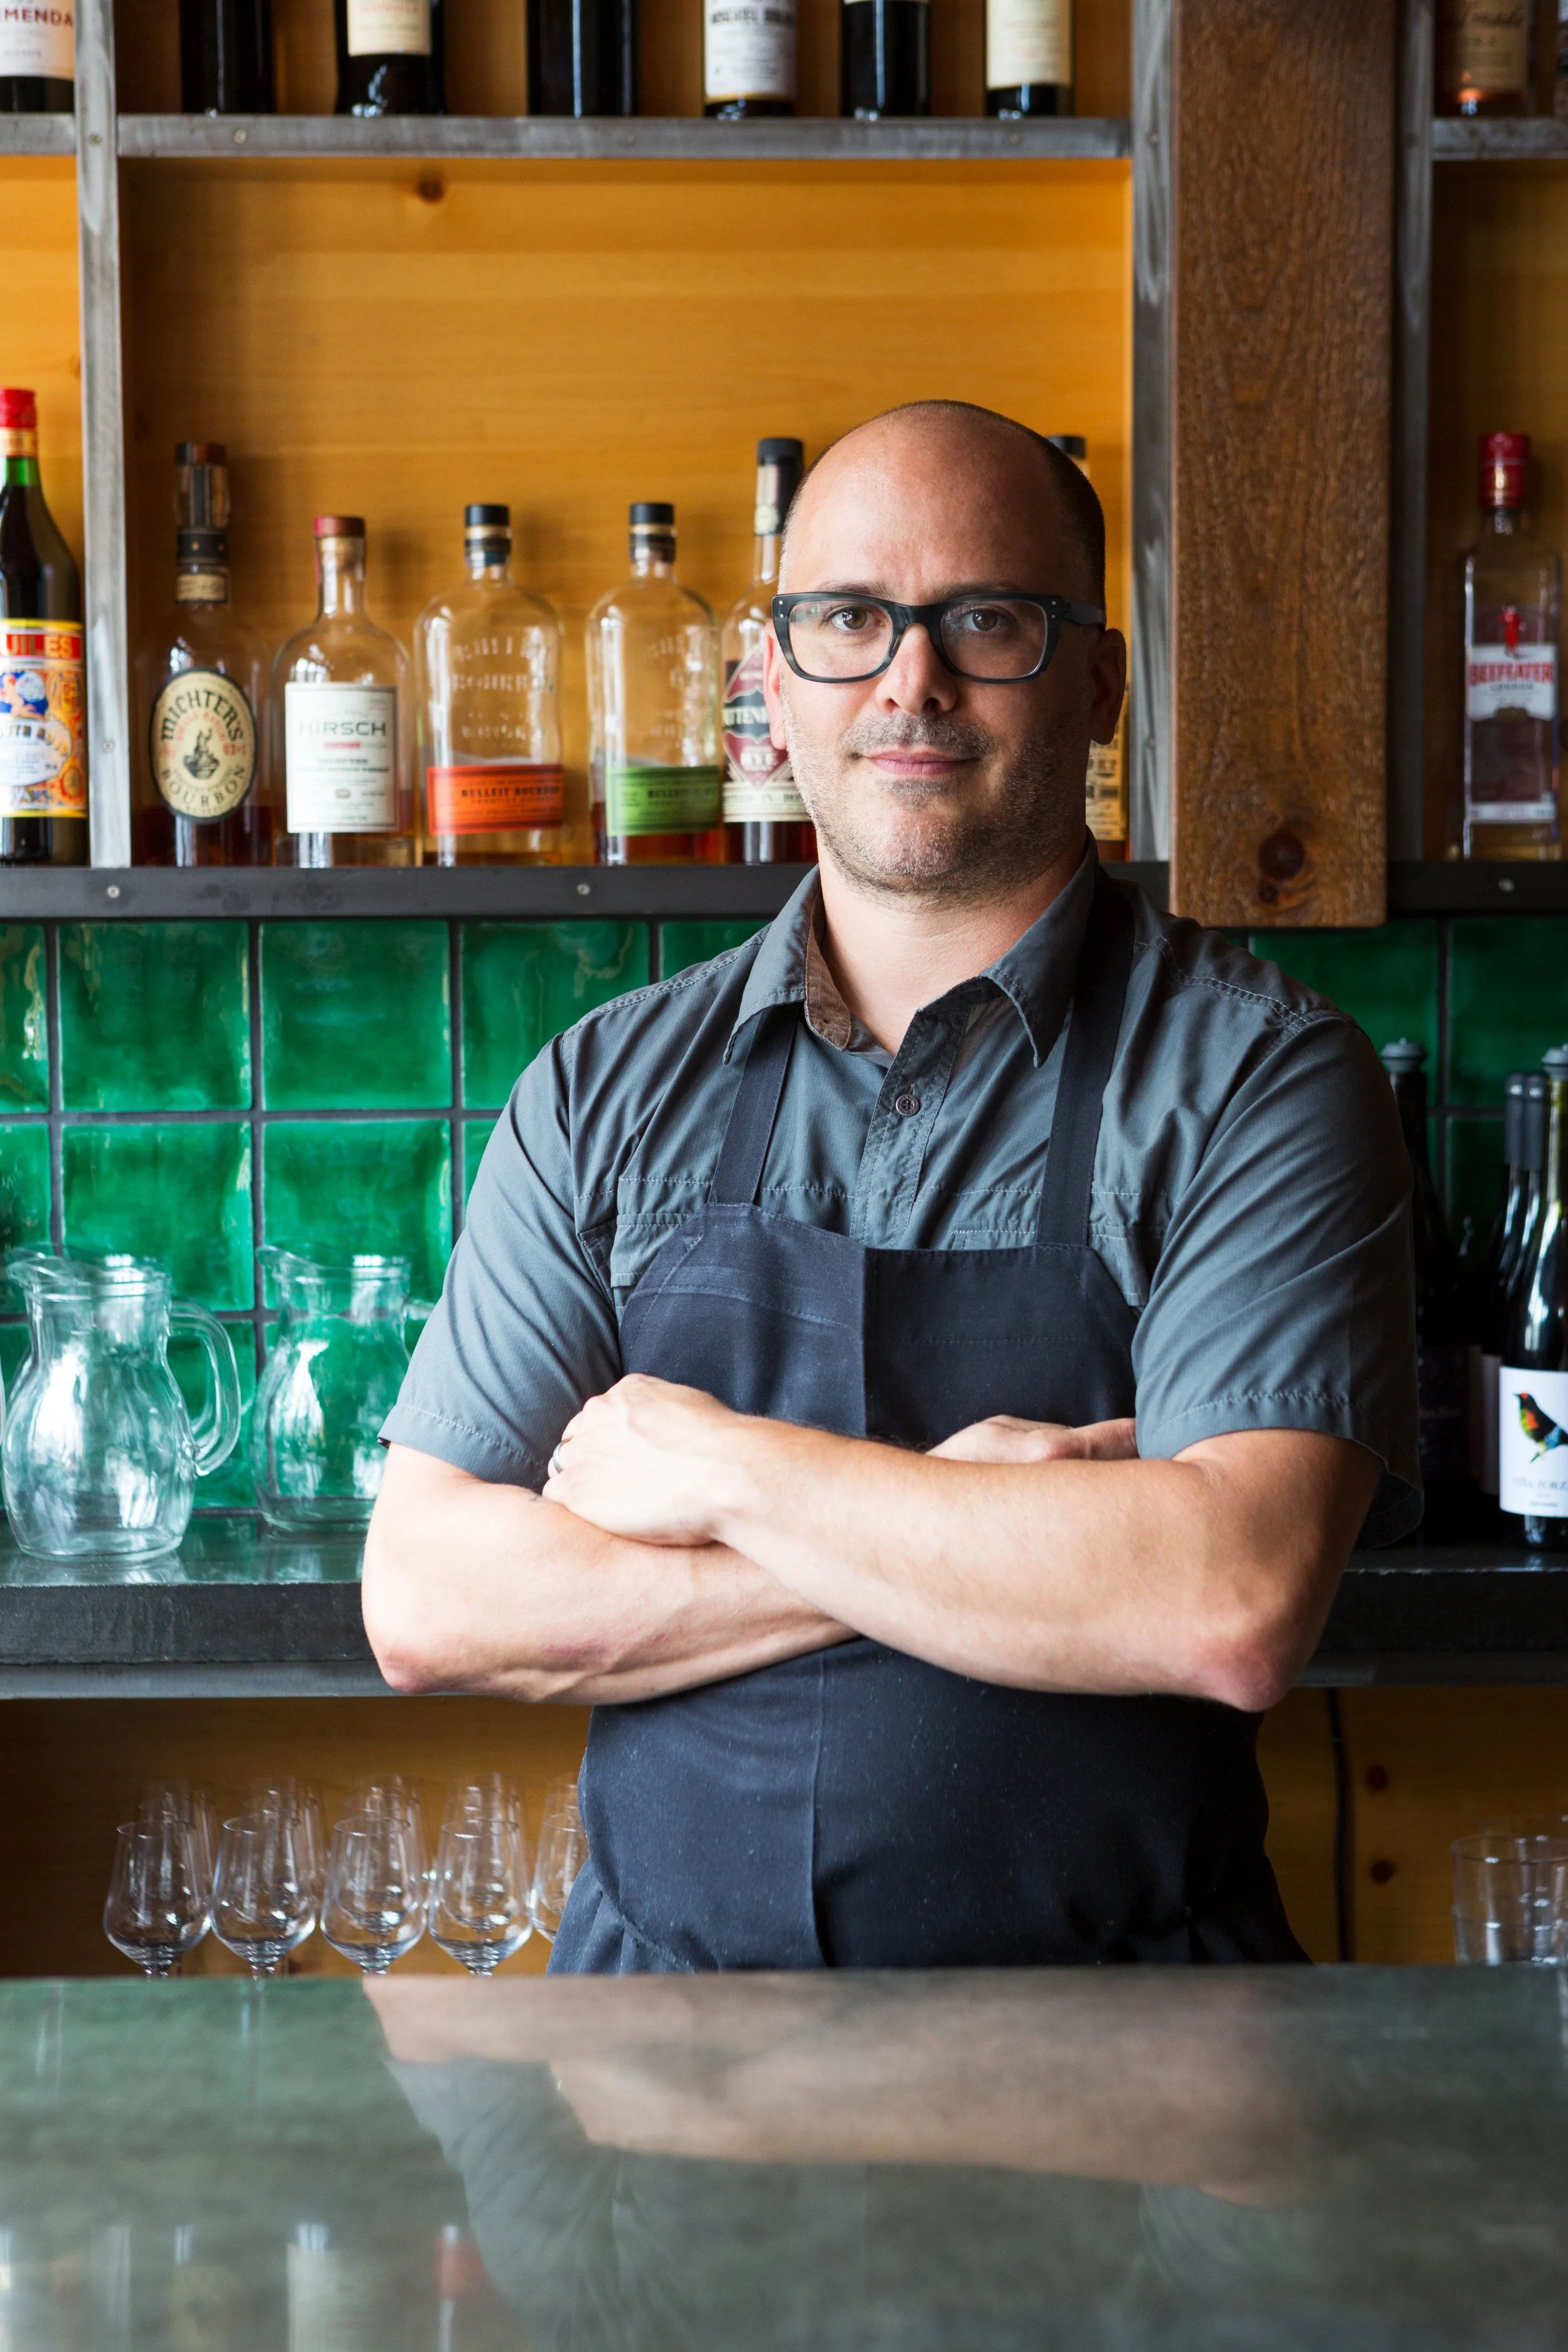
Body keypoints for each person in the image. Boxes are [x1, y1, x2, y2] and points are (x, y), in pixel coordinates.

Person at [364, 400, 1419, 1970]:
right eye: (848, 620)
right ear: (773, 682)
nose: (908, 679)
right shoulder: (599, 1088)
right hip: (661, 2082)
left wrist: (718, 1466)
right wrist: (974, 1513)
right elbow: (436, 1601)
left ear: (1099, 683)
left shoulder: (1257, 1079)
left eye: (983, 620)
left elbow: (1223, 1599)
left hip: (1123, 2083)